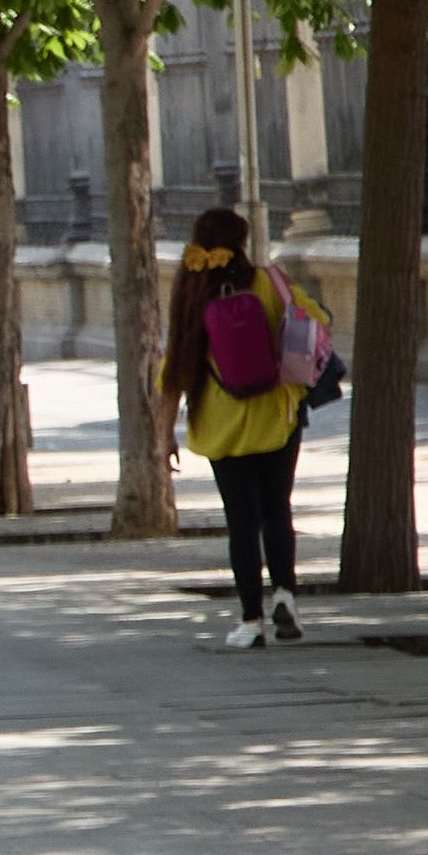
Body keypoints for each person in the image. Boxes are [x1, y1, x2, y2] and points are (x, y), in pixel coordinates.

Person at [159, 207, 331, 651]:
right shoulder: (268, 282)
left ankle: (250, 620)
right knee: (278, 509)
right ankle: (287, 598)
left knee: (242, 522)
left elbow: (173, 372)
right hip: (276, 414)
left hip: (221, 424)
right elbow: (317, 321)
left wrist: (163, 436)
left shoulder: (191, 293)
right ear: (241, 241)